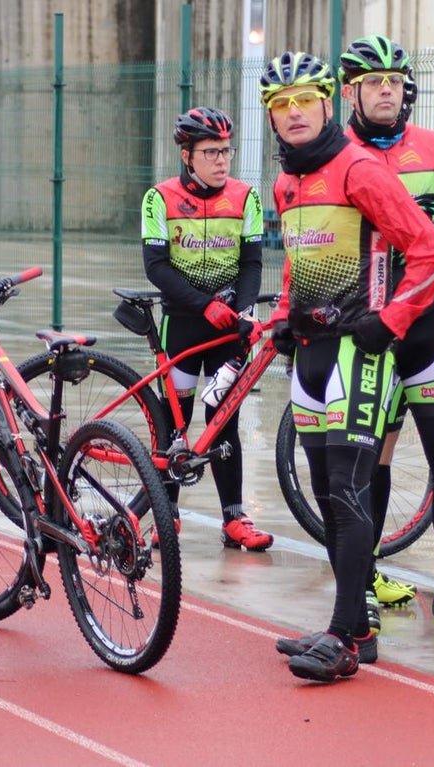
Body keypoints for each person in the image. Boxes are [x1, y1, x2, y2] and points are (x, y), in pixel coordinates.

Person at [259, 51, 434, 682]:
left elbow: (429, 252)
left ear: (326, 102)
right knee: (323, 492)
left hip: (359, 350)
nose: (293, 114)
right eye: (279, 105)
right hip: (311, 353)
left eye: (303, 100)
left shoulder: (359, 168)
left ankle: (346, 638)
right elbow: (295, 258)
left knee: (347, 489)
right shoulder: (287, 181)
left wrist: (389, 322)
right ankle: (351, 627)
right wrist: (286, 317)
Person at [339, 34, 434, 637]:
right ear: (350, 92)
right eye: (373, 82)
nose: (387, 90)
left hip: (429, 328)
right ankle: (366, 578)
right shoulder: (332, 155)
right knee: (366, 466)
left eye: (395, 81)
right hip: (366, 332)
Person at [140, 106, 273, 551]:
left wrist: (245, 309)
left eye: (226, 151)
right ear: (187, 155)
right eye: (211, 152)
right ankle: (167, 515)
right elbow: (156, 268)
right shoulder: (158, 198)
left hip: (229, 326)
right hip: (182, 323)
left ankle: (234, 518)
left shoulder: (246, 197)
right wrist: (202, 305)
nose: (222, 160)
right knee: (172, 427)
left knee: (224, 422)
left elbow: (253, 263)